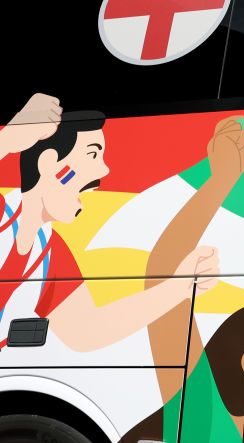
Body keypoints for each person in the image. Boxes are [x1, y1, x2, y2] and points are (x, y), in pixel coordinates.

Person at [0, 93, 227, 356]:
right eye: (93, 155)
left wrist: (178, 287)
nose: (104, 170)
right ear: (50, 164)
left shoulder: (49, 252)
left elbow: (86, 329)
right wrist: (8, 139)